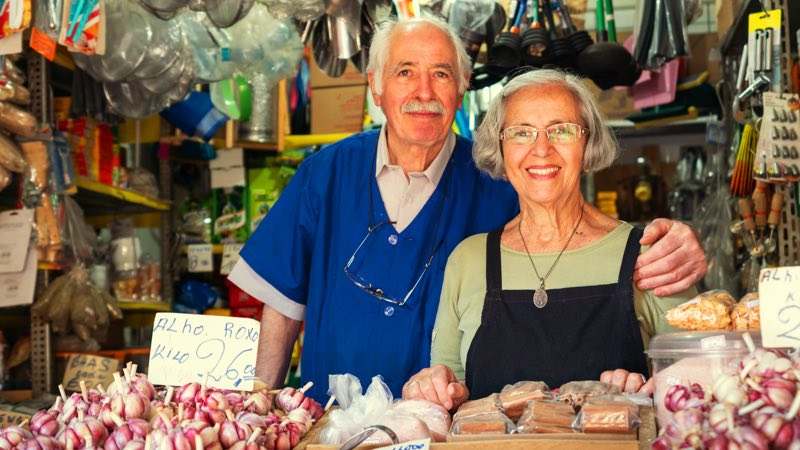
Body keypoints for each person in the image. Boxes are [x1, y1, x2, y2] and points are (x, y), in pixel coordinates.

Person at [228, 17, 707, 402]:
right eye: (405, 72)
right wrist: (262, 406)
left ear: (460, 89)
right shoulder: (325, 173)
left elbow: (565, 264)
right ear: (376, 87)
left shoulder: (497, 183)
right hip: (335, 420)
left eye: (441, 74)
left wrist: (673, 245)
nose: (423, 91)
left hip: (446, 428)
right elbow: (281, 303)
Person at [402, 69, 698, 411]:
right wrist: (430, 388)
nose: (541, 149)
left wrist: (647, 387)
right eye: (521, 133)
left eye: (562, 130)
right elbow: (449, 396)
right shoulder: (468, 260)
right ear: (500, 146)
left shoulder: (650, 254)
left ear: (587, 143)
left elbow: (699, 384)